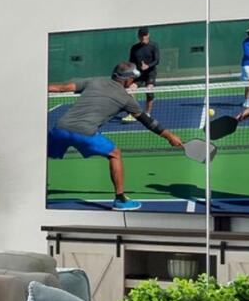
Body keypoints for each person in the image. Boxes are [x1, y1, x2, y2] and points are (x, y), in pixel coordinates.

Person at [48, 62, 193, 209]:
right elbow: (147, 121)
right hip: (85, 133)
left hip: (60, 128)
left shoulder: (94, 81)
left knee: (42, 156)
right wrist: (169, 136)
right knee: (115, 154)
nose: (134, 81)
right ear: (127, 79)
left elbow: (62, 88)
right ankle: (120, 199)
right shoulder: (126, 99)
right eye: (133, 78)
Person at [126, 26, 161, 115]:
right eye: (141, 36)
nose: (143, 37)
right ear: (138, 36)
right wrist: (131, 72)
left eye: (145, 35)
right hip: (139, 75)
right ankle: (135, 113)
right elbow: (131, 62)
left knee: (149, 92)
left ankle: (147, 114)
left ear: (148, 35)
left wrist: (148, 66)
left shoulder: (154, 46)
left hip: (150, 74)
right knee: (130, 90)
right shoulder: (134, 48)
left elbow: (157, 60)